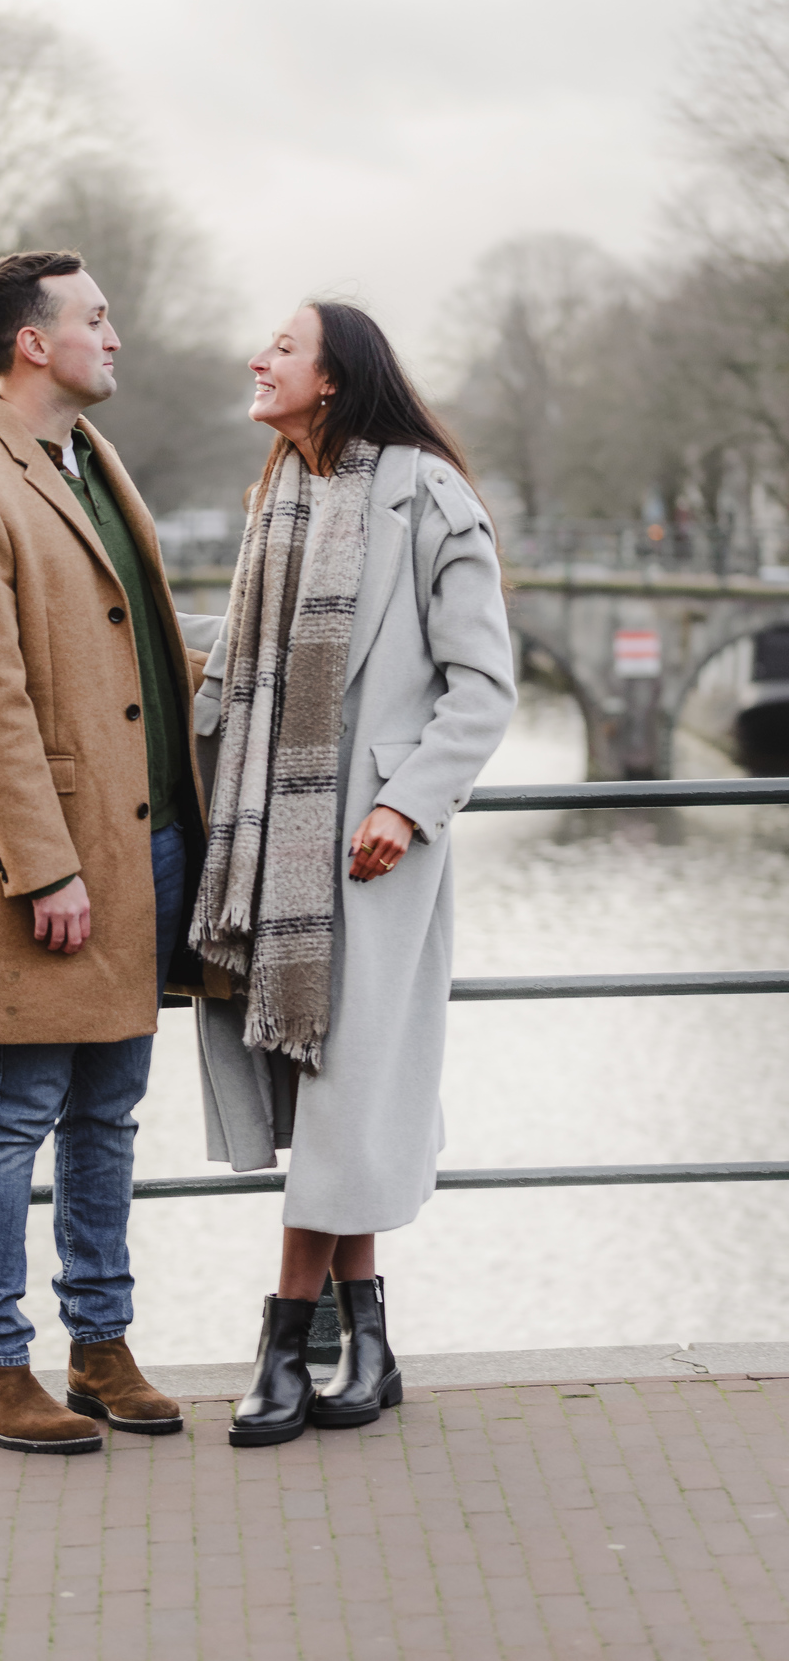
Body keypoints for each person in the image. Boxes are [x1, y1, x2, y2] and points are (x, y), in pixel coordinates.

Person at [0, 249, 220, 1456]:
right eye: (95, 318)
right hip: (57, 865)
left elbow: (136, 648)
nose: (116, 335)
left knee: (110, 1111)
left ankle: (100, 1344)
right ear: (33, 342)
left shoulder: (86, 461)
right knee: (14, 1108)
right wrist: (45, 868)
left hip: (146, 845)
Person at [190, 301, 516, 1447]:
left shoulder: (428, 495)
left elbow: (483, 686)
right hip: (277, 847)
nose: (258, 358)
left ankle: (286, 1339)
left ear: (331, 377)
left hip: (370, 852)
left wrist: (404, 802)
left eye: (281, 346)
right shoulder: (278, 497)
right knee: (337, 1096)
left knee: (344, 1095)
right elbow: (245, 673)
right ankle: (367, 1342)